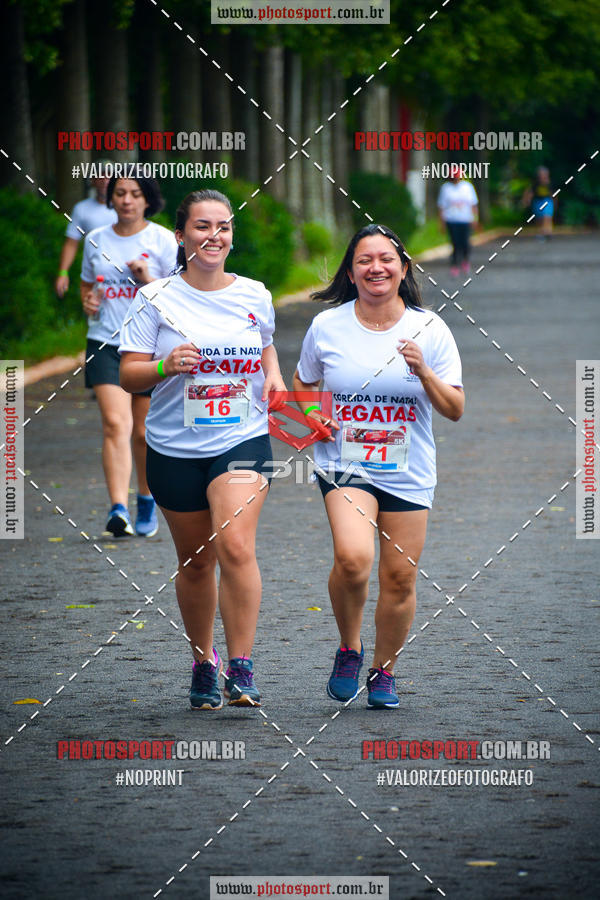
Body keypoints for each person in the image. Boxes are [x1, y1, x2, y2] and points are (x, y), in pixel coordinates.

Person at [119, 189, 286, 710]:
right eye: (202, 226)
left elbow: (265, 348)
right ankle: (203, 662)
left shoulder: (254, 294)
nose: (214, 236)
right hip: (173, 447)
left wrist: (275, 379)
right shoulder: (155, 299)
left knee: (234, 544)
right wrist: (166, 366)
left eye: (224, 227)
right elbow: (129, 373)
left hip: (241, 438)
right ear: (181, 235)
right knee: (195, 563)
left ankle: (241, 667)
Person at [293, 224, 464, 709]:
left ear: (403, 268)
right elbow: (303, 383)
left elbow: (454, 408)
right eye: (365, 259)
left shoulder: (430, 329)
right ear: (351, 271)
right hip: (345, 463)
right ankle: (349, 647)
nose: (376, 267)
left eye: (386, 258)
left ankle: (383, 671)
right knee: (353, 559)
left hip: (408, 470)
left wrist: (424, 371)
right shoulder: (328, 326)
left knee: (400, 578)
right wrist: (310, 414)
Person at [80, 175, 177, 537]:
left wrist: (147, 278)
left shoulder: (163, 240)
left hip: (150, 345)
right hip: (105, 341)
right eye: (120, 193)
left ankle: (146, 500)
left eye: (135, 194)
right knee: (114, 424)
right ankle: (117, 508)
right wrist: (87, 301)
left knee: (143, 431)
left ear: (147, 200)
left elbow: (179, 296)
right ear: (110, 198)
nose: (126, 200)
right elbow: (87, 287)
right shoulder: (95, 240)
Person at [55, 168, 117, 297]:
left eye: (109, 176)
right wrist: (63, 273)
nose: (105, 181)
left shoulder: (126, 206)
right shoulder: (81, 208)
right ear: (93, 181)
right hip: (94, 275)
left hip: (124, 273)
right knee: (93, 311)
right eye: (100, 176)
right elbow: (71, 243)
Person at [437, 165, 479, 276]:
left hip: (465, 219)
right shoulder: (446, 188)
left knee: (465, 242)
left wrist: (475, 219)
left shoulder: (467, 187)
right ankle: (455, 264)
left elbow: (473, 204)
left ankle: (465, 260)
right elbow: (441, 206)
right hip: (452, 219)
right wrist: (441, 223)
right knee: (455, 243)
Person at [523, 166, 555, 239]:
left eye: (544, 174)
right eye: (541, 174)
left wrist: (554, 203)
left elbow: (553, 194)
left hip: (547, 201)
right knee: (539, 218)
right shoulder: (535, 183)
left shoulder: (550, 183)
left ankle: (548, 232)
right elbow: (530, 192)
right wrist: (527, 200)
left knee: (547, 216)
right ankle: (541, 232)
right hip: (538, 201)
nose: (543, 176)